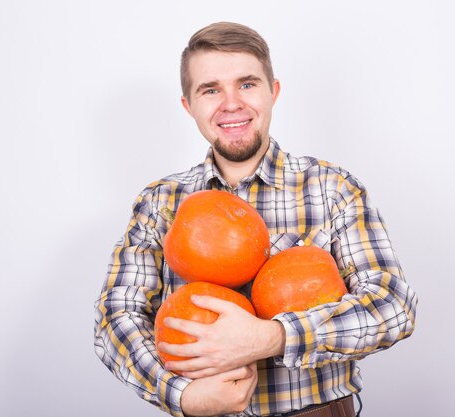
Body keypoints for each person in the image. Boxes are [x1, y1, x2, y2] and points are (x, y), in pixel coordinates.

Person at [94, 22, 418, 417]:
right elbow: (117, 315)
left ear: (273, 91)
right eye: (210, 89)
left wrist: (273, 336)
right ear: (189, 105)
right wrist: (181, 395)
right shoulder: (159, 202)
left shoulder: (332, 188)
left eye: (246, 84)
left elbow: (393, 307)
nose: (231, 103)